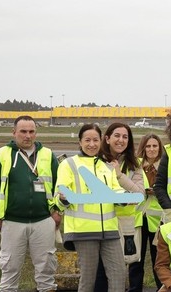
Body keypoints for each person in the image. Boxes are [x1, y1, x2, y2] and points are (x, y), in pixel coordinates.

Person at [0, 115, 61, 292]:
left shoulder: (48, 155)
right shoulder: (1, 154)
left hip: (43, 220)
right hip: (12, 221)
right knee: (10, 268)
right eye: (23, 131)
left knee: (47, 269)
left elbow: (60, 185)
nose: (28, 136)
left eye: (31, 131)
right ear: (14, 133)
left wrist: (58, 211)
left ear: (36, 133)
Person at [57, 123, 128, 292]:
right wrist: (63, 198)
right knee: (88, 279)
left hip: (110, 231)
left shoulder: (106, 165)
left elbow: (115, 189)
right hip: (84, 231)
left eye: (95, 140)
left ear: (101, 141)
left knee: (118, 274)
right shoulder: (69, 164)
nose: (92, 144)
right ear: (80, 142)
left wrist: (123, 196)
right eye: (87, 140)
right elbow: (59, 196)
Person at [95, 122, 147, 292]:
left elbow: (140, 195)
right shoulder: (95, 161)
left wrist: (119, 175)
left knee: (119, 272)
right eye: (117, 136)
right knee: (98, 274)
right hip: (99, 223)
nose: (121, 140)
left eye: (125, 137)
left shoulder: (135, 164)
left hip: (124, 225)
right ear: (107, 138)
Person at [137, 133, 165, 291]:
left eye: (155, 146)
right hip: (140, 217)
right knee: (137, 259)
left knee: (158, 260)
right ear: (143, 148)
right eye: (148, 146)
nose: (152, 149)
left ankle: (161, 288)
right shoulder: (136, 165)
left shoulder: (165, 166)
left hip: (158, 219)